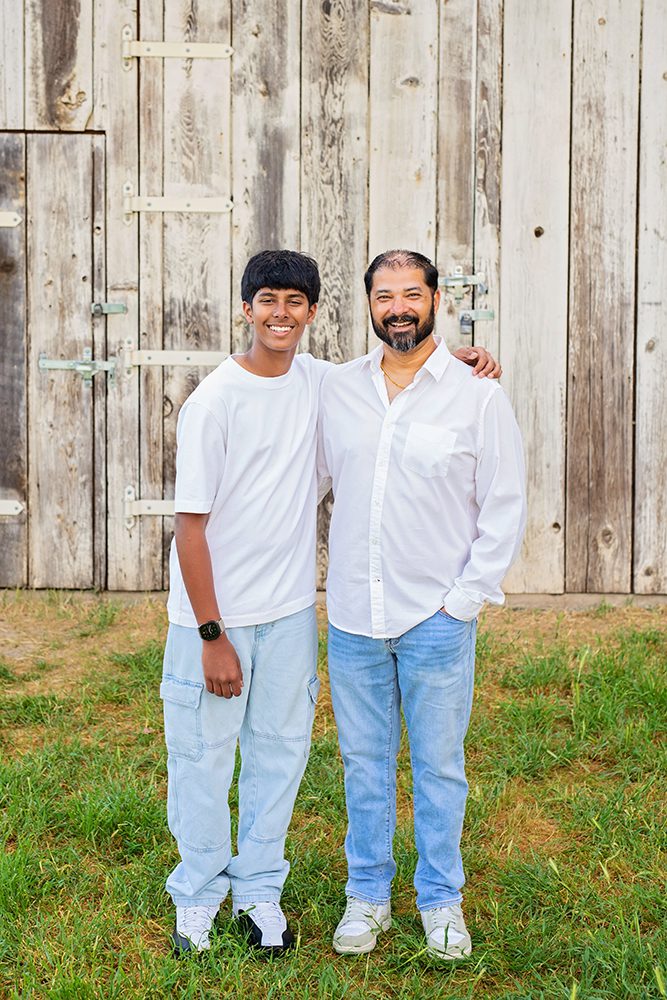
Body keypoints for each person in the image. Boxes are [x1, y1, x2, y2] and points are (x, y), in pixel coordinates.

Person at [161, 248, 500, 958]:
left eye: (295, 303)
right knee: (203, 756)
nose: (280, 315)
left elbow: (401, 373)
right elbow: (188, 526)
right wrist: (210, 631)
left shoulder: (326, 382)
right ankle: (197, 894)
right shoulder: (213, 401)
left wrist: (457, 360)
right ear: (244, 309)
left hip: (288, 613)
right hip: (214, 620)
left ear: (314, 312)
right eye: (266, 302)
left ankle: (258, 890)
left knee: (278, 757)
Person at [317, 249, 526, 960]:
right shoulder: (335, 388)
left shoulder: (477, 396)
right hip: (352, 618)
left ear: (436, 299)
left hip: (435, 617)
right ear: (369, 305)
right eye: (384, 296)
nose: (398, 307)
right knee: (362, 762)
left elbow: (503, 506)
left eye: (411, 293)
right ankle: (367, 898)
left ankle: (441, 901)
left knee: (438, 767)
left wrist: (462, 603)